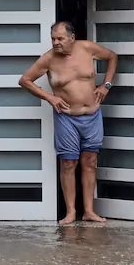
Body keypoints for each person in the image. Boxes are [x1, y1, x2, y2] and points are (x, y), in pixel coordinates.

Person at [19, 21, 118, 225]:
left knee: (90, 162)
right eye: (53, 38)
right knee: (68, 163)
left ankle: (89, 211)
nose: (56, 43)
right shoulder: (48, 59)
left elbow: (112, 57)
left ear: (72, 38)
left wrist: (106, 85)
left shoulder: (87, 48)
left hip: (92, 114)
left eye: (60, 39)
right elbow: (25, 80)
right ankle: (71, 211)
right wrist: (50, 97)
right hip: (67, 117)